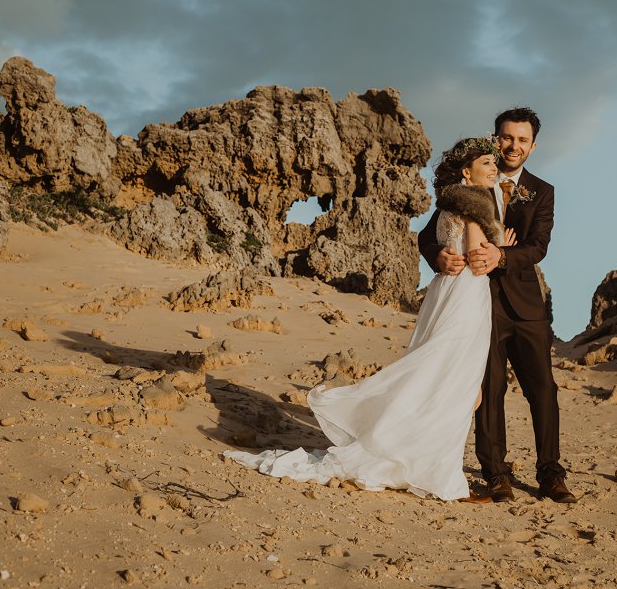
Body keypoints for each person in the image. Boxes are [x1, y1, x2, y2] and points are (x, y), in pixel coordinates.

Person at [224, 137, 512, 501]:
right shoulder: (473, 207)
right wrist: (502, 246)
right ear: (466, 172)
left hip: (445, 294)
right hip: (466, 299)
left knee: (447, 383)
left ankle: (419, 460)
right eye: (486, 163)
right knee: (454, 387)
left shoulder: (447, 207)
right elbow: (477, 258)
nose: (494, 168)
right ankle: (439, 476)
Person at [418, 108, 577, 503]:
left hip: (526, 305)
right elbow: (428, 235)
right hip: (477, 303)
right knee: (488, 390)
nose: (513, 146)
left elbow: (538, 246)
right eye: (507, 137)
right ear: (495, 138)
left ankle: (551, 474)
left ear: (533, 146)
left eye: (522, 140)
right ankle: (496, 474)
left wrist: (501, 256)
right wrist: (439, 256)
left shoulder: (542, 191)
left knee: (543, 389)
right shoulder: (472, 180)